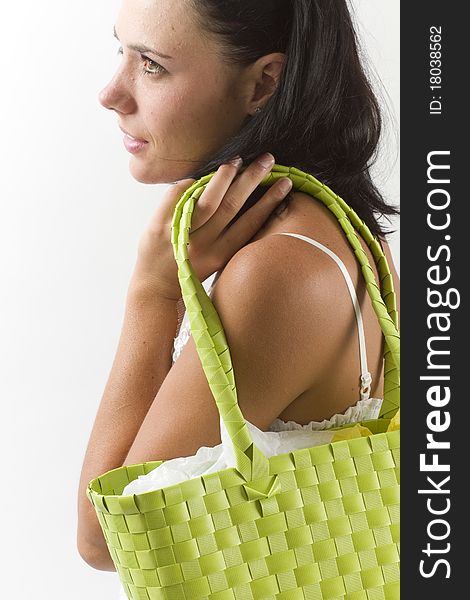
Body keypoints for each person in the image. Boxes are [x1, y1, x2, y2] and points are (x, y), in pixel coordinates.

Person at [77, 0, 400, 580]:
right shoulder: (342, 231)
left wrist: (155, 295)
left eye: (151, 65)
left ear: (263, 83)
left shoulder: (279, 271)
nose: (112, 93)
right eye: (119, 51)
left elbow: (108, 539)